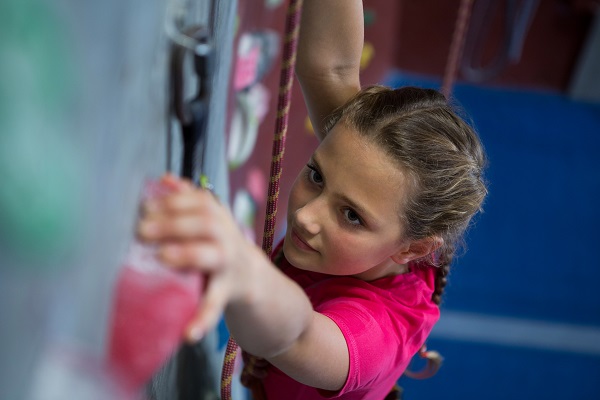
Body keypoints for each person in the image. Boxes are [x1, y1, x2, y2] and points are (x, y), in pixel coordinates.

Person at [137, 0, 487, 398]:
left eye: (352, 216)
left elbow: (299, 336)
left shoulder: (373, 334)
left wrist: (244, 269)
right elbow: (330, 69)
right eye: (317, 176)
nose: (307, 216)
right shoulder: (372, 181)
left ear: (413, 249)